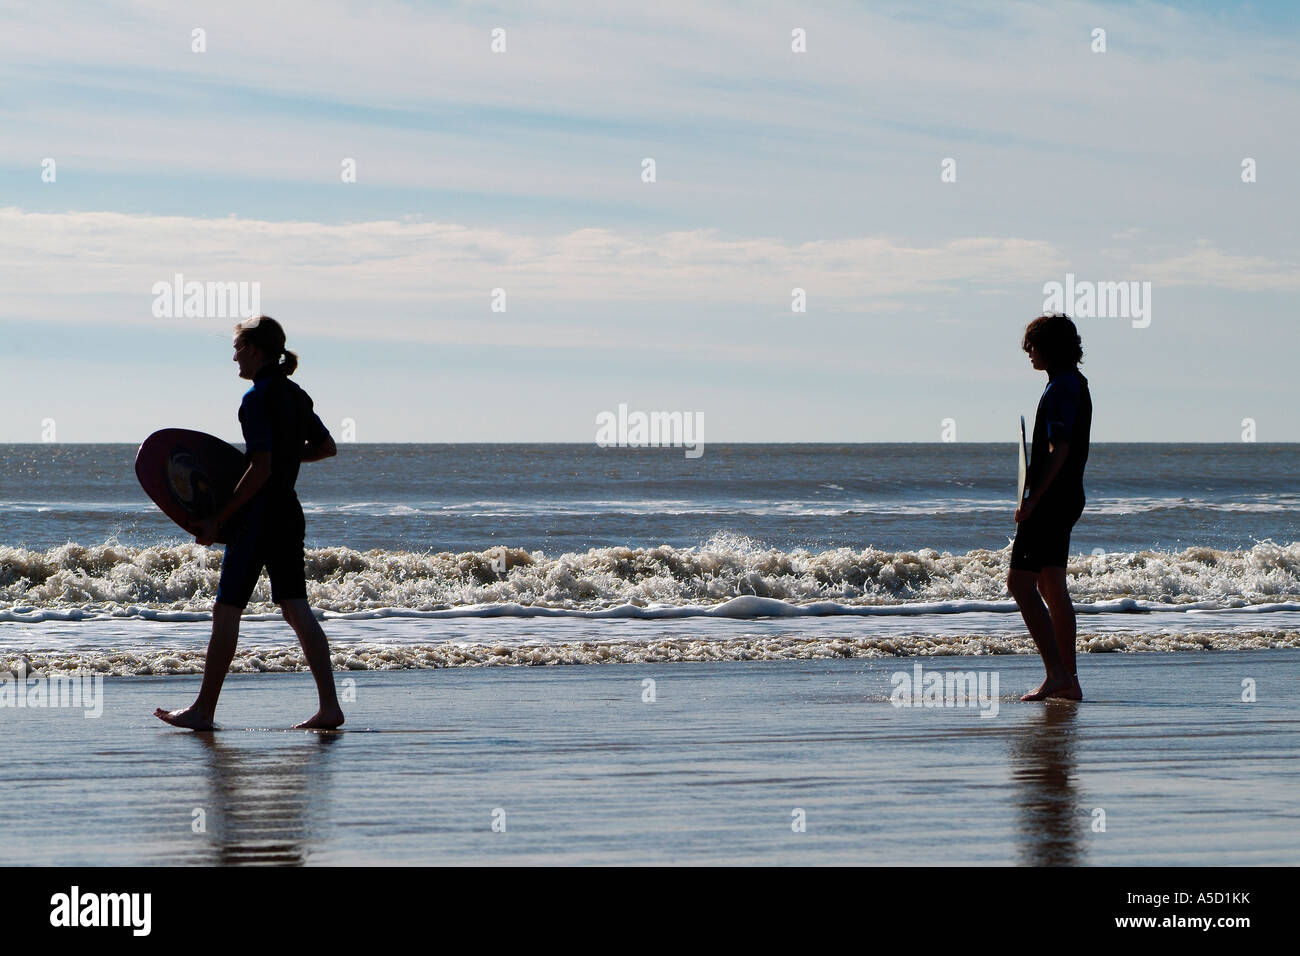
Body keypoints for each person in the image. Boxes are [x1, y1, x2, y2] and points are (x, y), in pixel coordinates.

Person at [155, 316, 344, 730]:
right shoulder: (296, 395)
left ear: (256, 350)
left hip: (256, 517)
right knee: (296, 609)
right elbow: (326, 448)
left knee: (226, 610)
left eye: (238, 348)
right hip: (288, 513)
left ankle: (203, 711)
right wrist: (286, 459)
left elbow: (259, 469)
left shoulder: (255, 399)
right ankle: (330, 707)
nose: (235, 356)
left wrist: (218, 518)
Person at [1008, 313, 1092, 702]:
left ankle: (1057, 673)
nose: (1028, 352)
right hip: (1069, 496)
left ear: (1050, 347)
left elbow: (1060, 451)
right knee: (1051, 585)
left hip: (1052, 500)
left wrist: (1032, 500)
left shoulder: (1060, 388)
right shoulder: (1076, 383)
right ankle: (1068, 680)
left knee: (1020, 585)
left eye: (1033, 345)